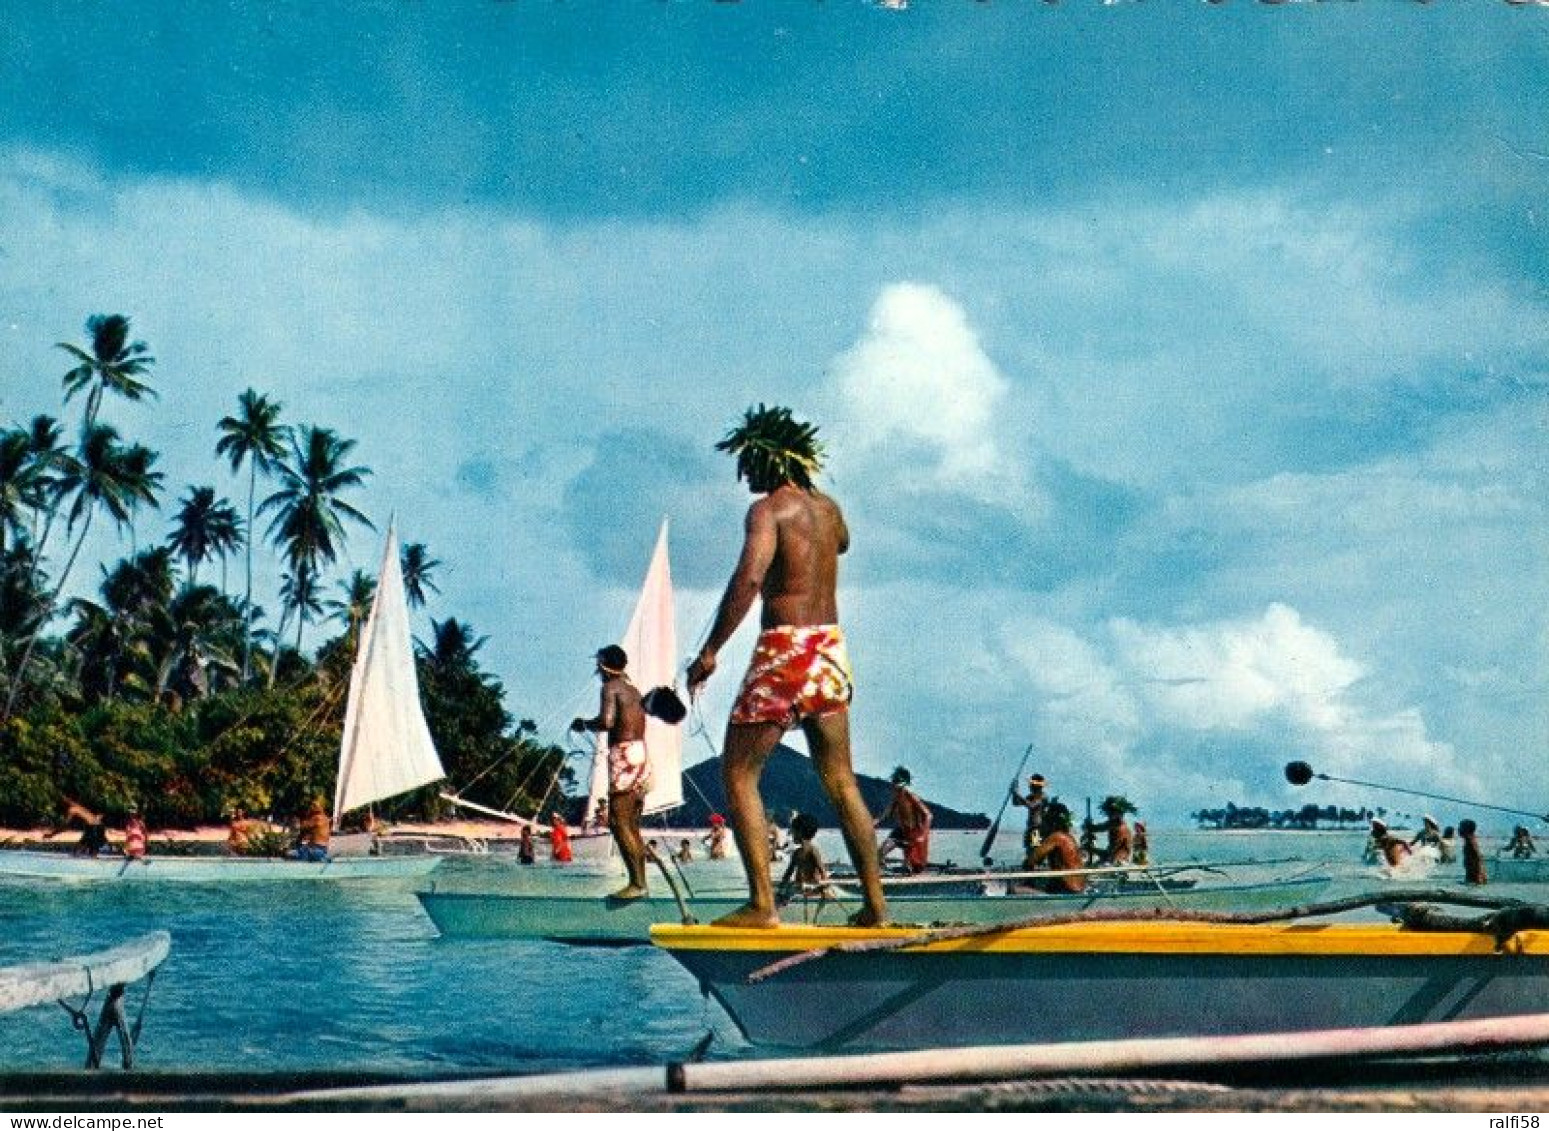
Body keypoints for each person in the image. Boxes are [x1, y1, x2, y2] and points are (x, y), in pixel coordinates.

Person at [686, 404, 886, 929]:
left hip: (786, 650)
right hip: (829, 650)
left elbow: (750, 578)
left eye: (750, 464)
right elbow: (840, 543)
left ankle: (761, 907)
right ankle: (876, 906)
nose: (746, 477)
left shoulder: (769, 512)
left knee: (739, 774)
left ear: (772, 458)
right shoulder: (830, 509)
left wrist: (711, 650)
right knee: (841, 780)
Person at [572, 644, 651, 900]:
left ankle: (637, 885)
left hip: (623, 754)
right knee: (630, 824)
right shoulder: (634, 691)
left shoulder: (610, 688)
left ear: (604, 665)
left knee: (618, 822)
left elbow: (606, 722)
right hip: (640, 753)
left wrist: (584, 724)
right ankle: (640, 883)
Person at [876, 766, 932, 875]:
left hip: (915, 832)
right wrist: (875, 822)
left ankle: (907, 868)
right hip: (902, 830)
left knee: (915, 866)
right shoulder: (896, 797)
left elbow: (928, 815)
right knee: (880, 853)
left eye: (898, 783)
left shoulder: (910, 795)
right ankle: (882, 872)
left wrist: (923, 835)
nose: (895, 786)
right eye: (894, 782)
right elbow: (886, 814)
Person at [778, 812, 837, 905]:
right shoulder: (797, 853)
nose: (791, 834)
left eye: (793, 832)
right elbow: (789, 872)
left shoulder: (813, 850)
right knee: (782, 895)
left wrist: (826, 887)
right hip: (800, 887)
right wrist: (782, 886)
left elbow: (821, 869)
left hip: (813, 887)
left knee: (784, 897)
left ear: (800, 832)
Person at [1027, 803, 1087, 894]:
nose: (1043, 823)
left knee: (1014, 890)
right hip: (1077, 888)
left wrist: (1035, 837)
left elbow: (1031, 860)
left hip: (1066, 889)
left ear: (1052, 821)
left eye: (1046, 819)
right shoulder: (1069, 837)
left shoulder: (1056, 837)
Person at [46, 799, 110, 857]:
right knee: (91, 853)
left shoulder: (72, 809)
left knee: (76, 853)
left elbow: (64, 826)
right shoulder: (78, 807)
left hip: (93, 828)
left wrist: (52, 835)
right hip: (98, 827)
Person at [1010, 773, 1048, 867]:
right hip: (1030, 828)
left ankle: (1036, 870)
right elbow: (1015, 803)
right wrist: (1015, 790)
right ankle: (1031, 871)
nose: (1029, 786)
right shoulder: (1031, 797)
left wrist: (1017, 793)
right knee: (1029, 850)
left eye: (1031, 785)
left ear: (1036, 786)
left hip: (1037, 829)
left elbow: (1031, 806)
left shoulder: (1043, 796)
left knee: (1036, 850)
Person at [1087, 796, 1135, 866]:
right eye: (1108, 813)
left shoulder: (1120, 830)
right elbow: (1098, 827)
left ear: (1118, 814)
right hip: (1112, 859)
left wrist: (1092, 849)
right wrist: (1089, 826)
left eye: (1111, 813)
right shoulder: (1113, 825)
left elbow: (1108, 854)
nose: (1108, 816)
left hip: (1117, 863)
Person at [1457, 819, 1487, 885]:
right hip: (1472, 874)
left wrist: (1480, 876)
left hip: (1475, 876)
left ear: (1466, 830)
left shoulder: (1470, 841)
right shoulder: (1469, 840)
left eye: (1460, 827)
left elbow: (1478, 858)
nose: (1458, 829)